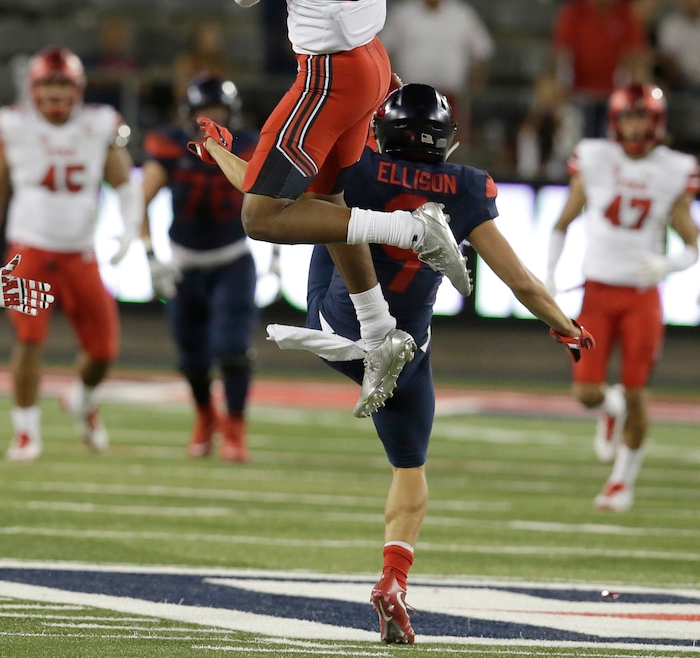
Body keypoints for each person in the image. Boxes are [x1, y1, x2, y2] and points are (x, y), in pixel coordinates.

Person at [194, 82, 595, 644]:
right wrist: (565, 324)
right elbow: (521, 280)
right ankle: (393, 577)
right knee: (411, 469)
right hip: (408, 353)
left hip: (341, 326)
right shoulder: (466, 186)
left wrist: (219, 149)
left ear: (384, 131)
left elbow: (263, 197)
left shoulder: (359, 169)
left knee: (328, 201)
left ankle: (393, 583)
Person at [189, 0, 472, 417]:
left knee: (260, 216)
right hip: (371, 59)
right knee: (329, 202)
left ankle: (411, 229)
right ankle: (378, 334)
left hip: (328, 74)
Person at [546, 82, 699, 512]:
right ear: (616, 121)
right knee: (587, 394)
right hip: (596, 291)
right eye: (628, 117)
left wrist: (670, 265)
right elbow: (562, 222)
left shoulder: (675, 167)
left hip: (641, 296)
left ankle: (621, 483)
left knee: (638, 393)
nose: (634, 126)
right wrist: (550, 278)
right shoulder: (595, 157)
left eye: (641, 117)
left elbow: (693, 243)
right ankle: (608, 409)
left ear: (656, 122)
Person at [0, 45, 143, 462]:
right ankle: (26, 431)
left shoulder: (98, 124)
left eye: (63, 85)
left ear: (79, 88)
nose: (56, 95)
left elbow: (124, 181)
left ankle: (80, 399)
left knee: (103, 350)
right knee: (28, 340)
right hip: (28, 249)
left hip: (81, 252)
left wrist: (130, 230)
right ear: (33, 88)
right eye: (48, 84)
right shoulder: (13, 125)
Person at [141, 74, 259, 462]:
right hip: (185, 262)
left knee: (231, 350)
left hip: (231, 259)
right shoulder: (172, 145)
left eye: (218, 111)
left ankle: (235, 429)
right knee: (191, 357)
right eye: (204, 111)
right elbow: (139, 199)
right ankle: (206, 418)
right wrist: (151, 256)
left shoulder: (247, 146)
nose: (210, 117)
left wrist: (275, 253)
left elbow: (268, 197)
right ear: (189, 115)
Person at [381, 0, 494, 148]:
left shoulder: (462, 15)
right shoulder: (403, 13)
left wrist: (478, 77)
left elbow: (482, 50)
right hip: (410, 95)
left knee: (450, 144)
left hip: (450, 96)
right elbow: (385, 50)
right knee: (408, 142)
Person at [552, 0, 649, 138]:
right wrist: (561, 84)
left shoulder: (625, 12)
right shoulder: (574, 10)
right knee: (573, 131)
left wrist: (635, 93)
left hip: (613, 90)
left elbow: (635, 55)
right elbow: (562, 52)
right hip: (577, 89)